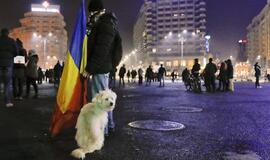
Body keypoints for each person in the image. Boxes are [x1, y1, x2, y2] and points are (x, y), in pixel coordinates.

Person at [82, 0, 123, 137]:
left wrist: (90, 68)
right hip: (103, 66)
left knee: (99, 100)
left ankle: (101, 130)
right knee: (105, 99)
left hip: (100, 67)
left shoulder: (104, 24)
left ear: (97, 12)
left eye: (92, 13)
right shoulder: (106, 23)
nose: (91, 16)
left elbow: (101, 50)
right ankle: (109, 126)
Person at [0, 28, 18, 107]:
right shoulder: (11, 41)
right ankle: (8, 102)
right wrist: (11, 57)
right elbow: (16, 52)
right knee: (8, 83)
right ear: (8, 33)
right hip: (8, 63)